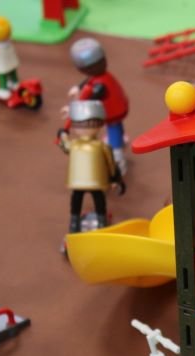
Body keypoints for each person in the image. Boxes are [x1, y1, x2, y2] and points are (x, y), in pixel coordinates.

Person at [57, 100, 126, 244]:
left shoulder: (75, 144)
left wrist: (62, 135)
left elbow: (64, 145)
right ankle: (100, 223)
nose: (86, 127)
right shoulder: (102, 146)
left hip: (78, 182)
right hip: (97, 182)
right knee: (98, 199)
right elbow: (111, 164)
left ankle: (74, 225)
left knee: (77, 200)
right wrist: (116, 178)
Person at [65, 38, 130, 174]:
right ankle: (119, 140)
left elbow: (89, 98)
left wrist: (73, 109)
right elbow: (89, 81)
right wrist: (78, 87)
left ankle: (118, 157)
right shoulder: (102, 76)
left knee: (113, 128)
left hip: (113, 112)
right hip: (118, 108)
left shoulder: (100, 85)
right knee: (116, 127)